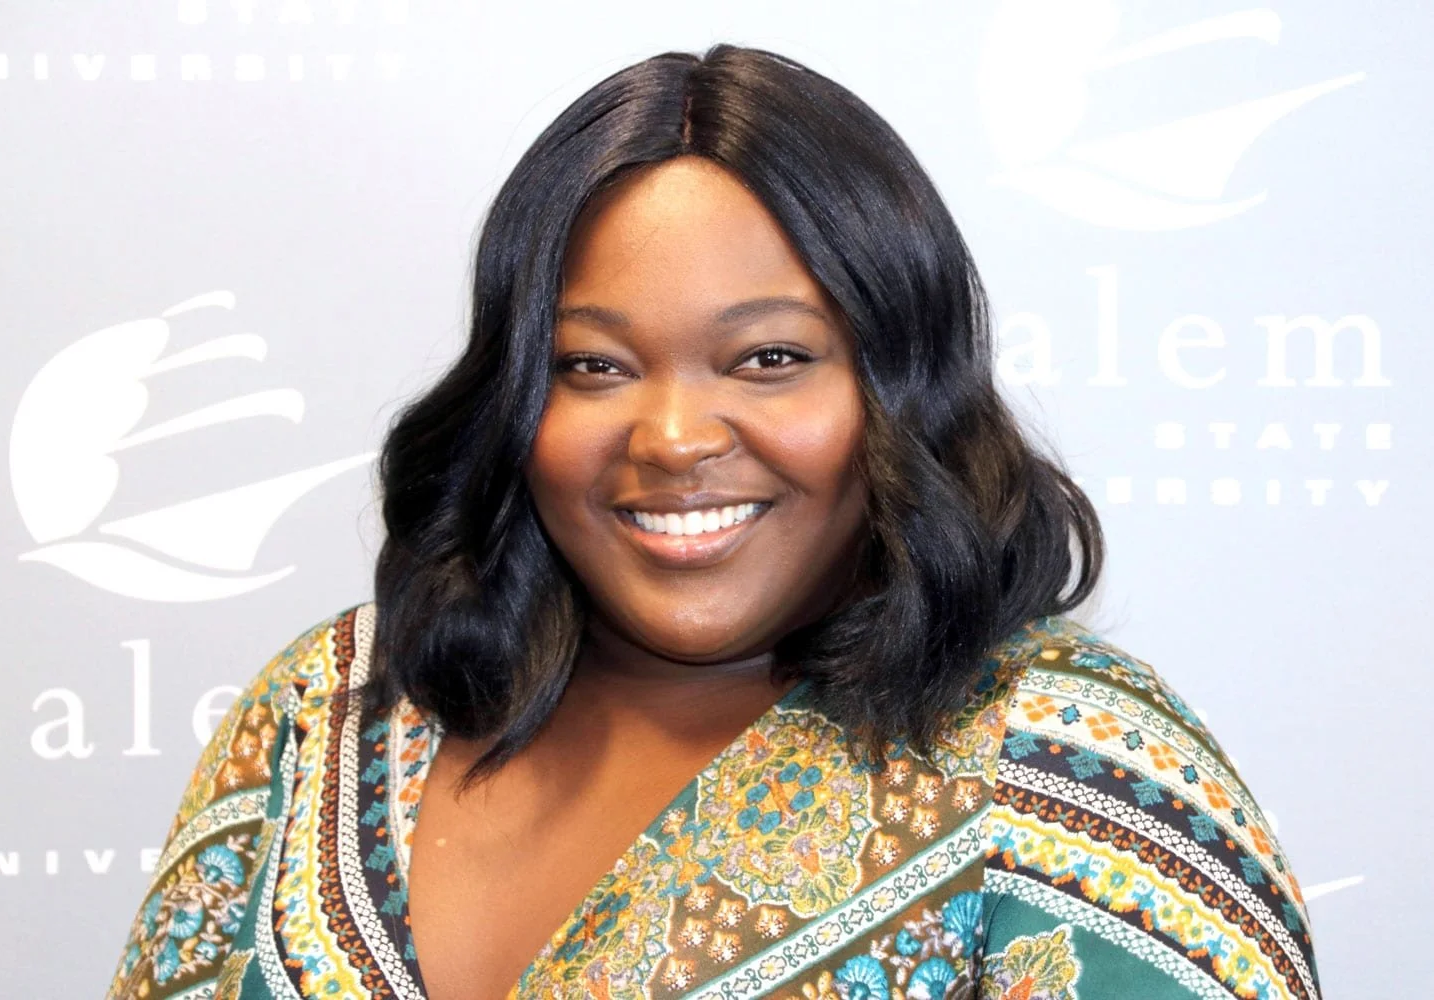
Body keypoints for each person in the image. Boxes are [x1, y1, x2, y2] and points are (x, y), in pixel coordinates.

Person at [105, 44, 1320, 1000]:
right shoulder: (329, 709)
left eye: (770, 357)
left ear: (897, 385)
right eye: (592, 367)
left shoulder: (1071, 761)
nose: (674, 436)